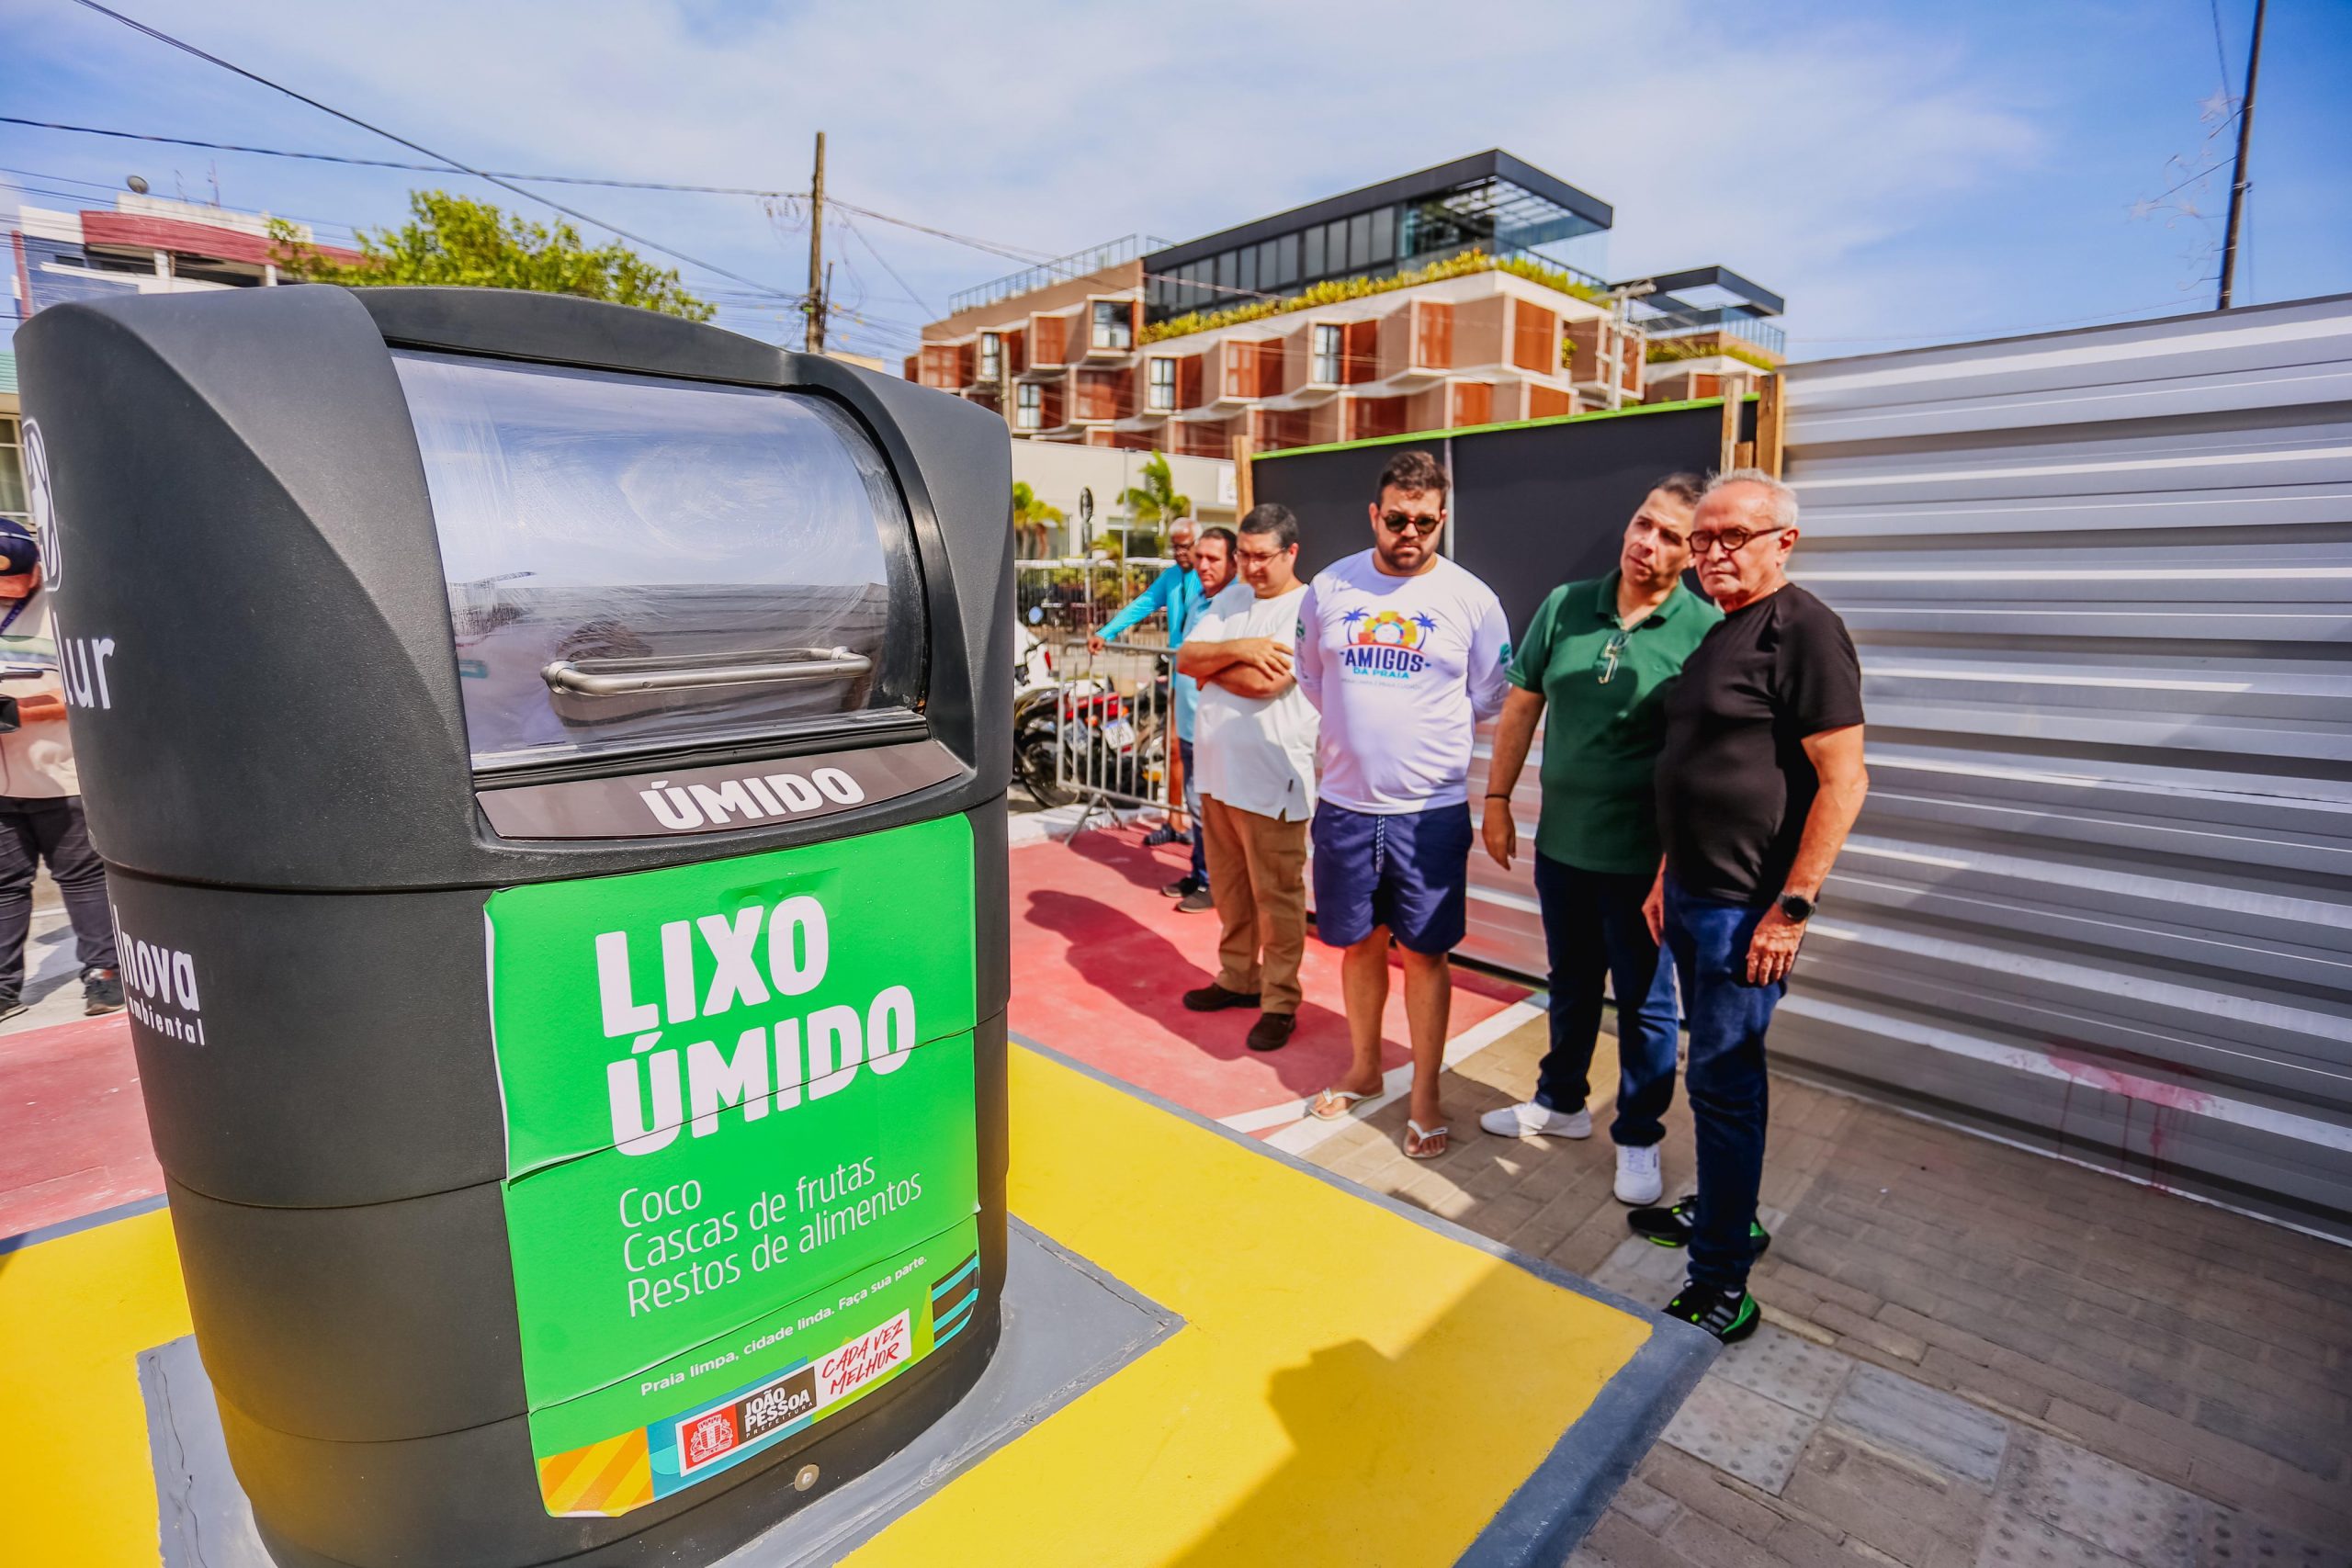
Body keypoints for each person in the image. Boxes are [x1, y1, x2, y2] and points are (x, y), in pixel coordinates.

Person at [1634, 469, 1869, 1343]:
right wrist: (1666, 872)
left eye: (1732, 536)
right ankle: (1725, 1211)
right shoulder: (1723, 630)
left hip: (1746, 910)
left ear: (1784, 541)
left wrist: (1792, 907)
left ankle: (1722, 1282)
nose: (1712, 553)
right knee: (1715, 1076)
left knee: (1723, 1083)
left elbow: (1844, 781)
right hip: (1694, 893)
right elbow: (1700, 764)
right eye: (1702, 539)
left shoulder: (1804, 629)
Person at [1478, 475, 1718, 1206]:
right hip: (1563, 845)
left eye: (1671, 536)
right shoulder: (1566, 604)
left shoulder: (1704, 630)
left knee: (1645, 1003)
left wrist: (1675, 862)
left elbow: (1707, 758)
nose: (1648, 543)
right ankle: (1562, 1102)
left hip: (1643, 860)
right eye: (1644, 522)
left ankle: (1639, 1133)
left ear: (1692, 553)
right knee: (1571, 980)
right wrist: (1497, 800)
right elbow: (1522, 706)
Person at [1295, 450, 1511, 1159]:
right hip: (1345, 807)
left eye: (1423, 521)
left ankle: (1424, 1091)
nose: (1409, 532)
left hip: (1430, 813)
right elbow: (1312, 676)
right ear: (1374, 515)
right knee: (1358, 944)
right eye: (1396, 519)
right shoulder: (1329, 587)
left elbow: (1490, 693)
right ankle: (1364, 1069)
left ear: (1442, 518)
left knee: (1425, 952)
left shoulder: (1472, 599)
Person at [1175, 504, 1318, 1053]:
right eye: (1244, 555)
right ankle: (1239, 977)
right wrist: (1241, 650)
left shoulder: (1307, 608)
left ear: (1291, 552)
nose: (1251, 567)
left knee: (1277, 898)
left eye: (1262, 556)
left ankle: (1280, 1000)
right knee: (1232, 892)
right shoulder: (1231, 598)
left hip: (1272, 779)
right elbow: (1187, 657)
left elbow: (1268, 684)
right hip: (1218, 776)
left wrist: (1213, 671)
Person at [0, 525, 122, 1021]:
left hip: (61, 775)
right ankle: (4, 987)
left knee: (81, 878)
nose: (6, 590)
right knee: (5, 885)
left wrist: (12, 712)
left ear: (35, 568)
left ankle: (104, 972)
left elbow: (84, 691)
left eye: (12, 579)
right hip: (2, 785)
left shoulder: (65, 613)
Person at [1091, 520, 1227, 911]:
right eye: (1178, 547)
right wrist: (1106, 632)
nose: (1186, 555)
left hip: (1209, 695)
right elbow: (1143, 605)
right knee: (1179, 761)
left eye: (1193, 548)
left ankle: (1212, 877)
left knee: (1208, 790)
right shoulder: (1174, 579)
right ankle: (1186, 843)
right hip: (1183, 684)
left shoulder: (1220, 590)